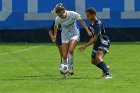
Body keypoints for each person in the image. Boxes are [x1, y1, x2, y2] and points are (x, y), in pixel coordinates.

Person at [53, 3, 92, 77]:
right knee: (64, 56)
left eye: (61, 15)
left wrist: (88, 31)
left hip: (74, 34)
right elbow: (55, 26)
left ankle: (70, 67)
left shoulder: (73, 14)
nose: (60, 17)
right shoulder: (58, 19)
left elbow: (82, 21)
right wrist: (55, 35)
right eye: (58, 15)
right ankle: (64, 74)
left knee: (71, 50)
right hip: (64, 36)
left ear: (64, 11)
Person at [79, 7, 112, 79]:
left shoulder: (98, 24)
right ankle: (105, 67)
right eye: (87, 16)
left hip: (103, 43)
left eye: (88, 16)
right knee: (93, 61)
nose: (87, 18)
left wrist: (85, 45)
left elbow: (95, 38)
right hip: (97, 43)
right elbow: (94, 37)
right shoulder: (91, 24)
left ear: (94, 14)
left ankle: (107, 74)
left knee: (98, 57)